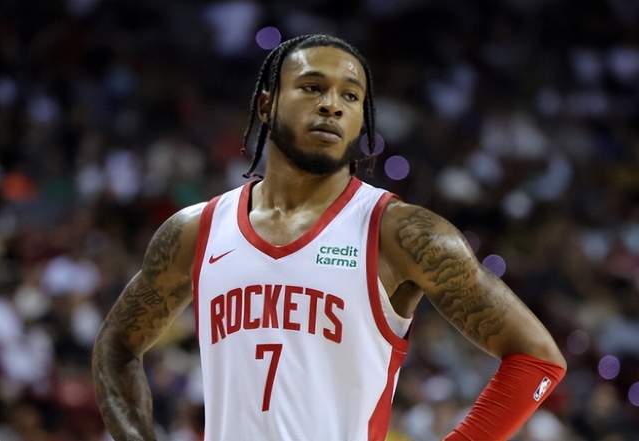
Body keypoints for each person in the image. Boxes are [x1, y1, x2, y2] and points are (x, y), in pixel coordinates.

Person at [92, 34, 567, 441]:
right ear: (266, 104)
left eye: (351, 96)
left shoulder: (401, 232)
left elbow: (537, 360)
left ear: (361, 119)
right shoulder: (196, 230)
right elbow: (116, 346)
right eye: (312, 87)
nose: (332, 105)